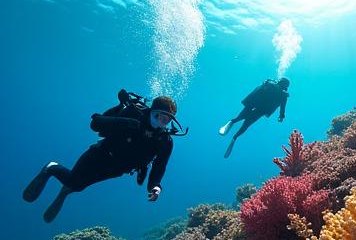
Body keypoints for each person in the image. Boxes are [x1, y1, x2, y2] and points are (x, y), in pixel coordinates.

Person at [22, 89, 184, 223]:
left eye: (166, 120)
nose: (160, 123)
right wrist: (124, 123)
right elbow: (95, 124)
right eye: (158, 116)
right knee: (73, 181)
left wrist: (155, 187)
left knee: (78, 186)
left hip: (118, 169)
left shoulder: (165, 141)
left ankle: (66, 190)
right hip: (100, 155)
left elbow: (159, 166)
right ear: (150, 111)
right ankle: (51, 167)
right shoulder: (133, 114)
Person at [219, 77, 290, 158]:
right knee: (243, 120)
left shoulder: (283, 95)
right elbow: (282, 107)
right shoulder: (273, 85)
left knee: (246, 123)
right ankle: (233, 125)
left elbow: (283, 107)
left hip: (259, 108)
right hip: (256, 105)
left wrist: (281, 116)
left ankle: (234, 135)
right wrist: (281, 116)